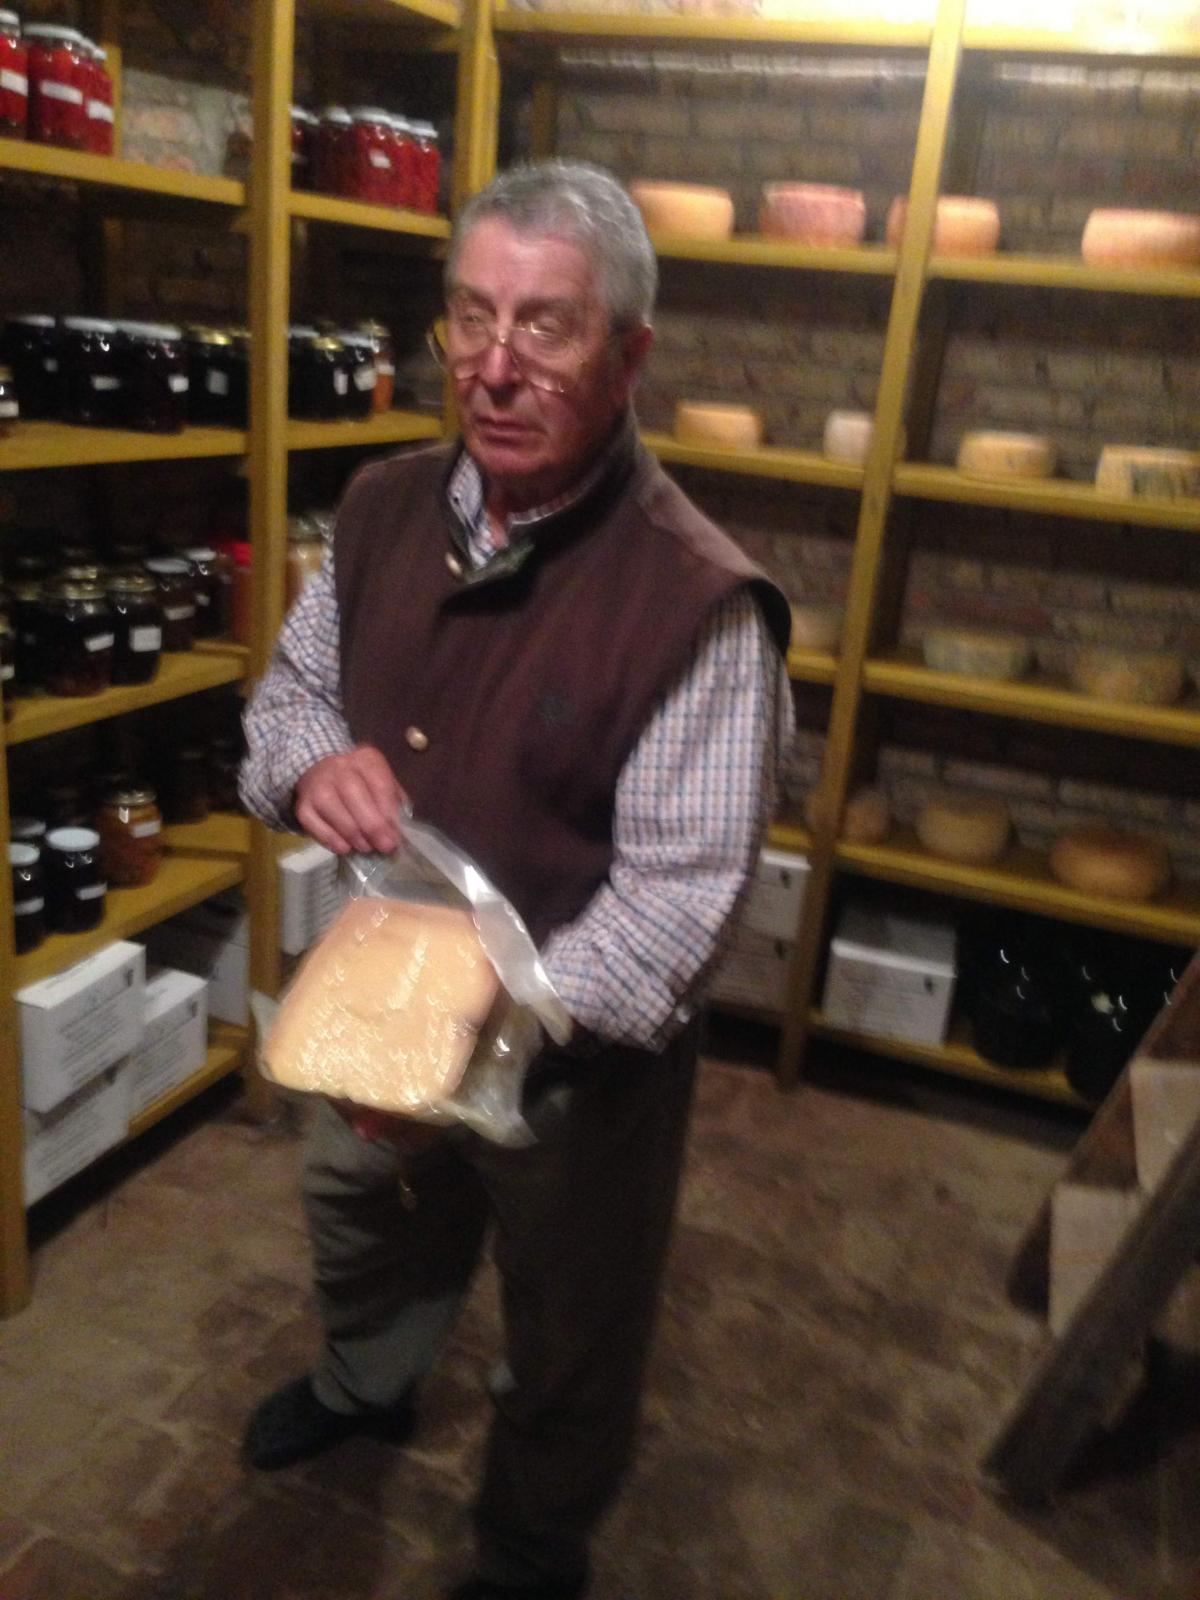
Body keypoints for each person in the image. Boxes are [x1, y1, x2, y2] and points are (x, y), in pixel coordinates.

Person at [239, 158, 794, 1600]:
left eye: (545, 326)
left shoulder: (696, 603)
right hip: (388, 1001)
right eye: (471, 316)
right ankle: (368, 1383)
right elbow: (290, 691)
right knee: (361, 1218)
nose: (493, 367)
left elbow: (676, 904)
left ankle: (533, 1544)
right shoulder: (382, 508)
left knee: (571, 1329)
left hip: (573, 1061)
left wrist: (468, 1052)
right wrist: (310, 766)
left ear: (629, 357)